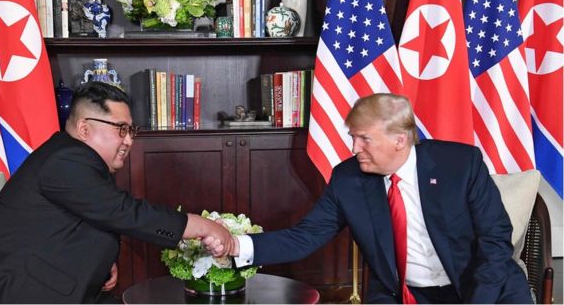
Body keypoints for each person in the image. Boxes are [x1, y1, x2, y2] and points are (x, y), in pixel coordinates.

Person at [223, 93, 532, 304]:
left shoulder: (460, 164)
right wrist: (237, 246)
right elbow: (306, 236)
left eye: (364, 138)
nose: (355, 147)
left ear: (400, 139)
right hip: (402, 295)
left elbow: (496, 240)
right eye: (352, 137)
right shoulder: (348, 178)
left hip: (482, 289)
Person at [0, 82, 234, 303]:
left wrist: (102, 259)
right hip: (2, 295)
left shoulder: (72, 158)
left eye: (132, 131)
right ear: (83, 128)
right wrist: (200, 225)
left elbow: (84, 218)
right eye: (121, 129)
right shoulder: (67, 159)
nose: (129, 140)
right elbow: (122, 211)